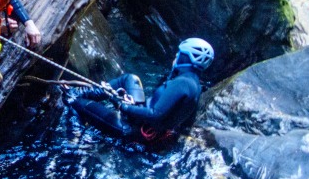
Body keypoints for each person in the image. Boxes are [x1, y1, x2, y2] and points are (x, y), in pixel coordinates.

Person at [64, 38, 214, 142]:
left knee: (76, 103)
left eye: (180, 53)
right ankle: (83, 92)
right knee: (129, 79)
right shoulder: (194, 83)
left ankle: (74, 131)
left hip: (131, 129)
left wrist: (122, 106)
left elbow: (155, 114)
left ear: (186, 58)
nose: (176, 56)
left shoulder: (182, 84)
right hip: (141, 120)